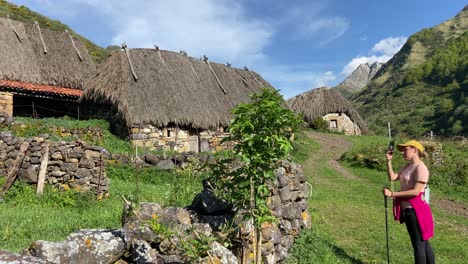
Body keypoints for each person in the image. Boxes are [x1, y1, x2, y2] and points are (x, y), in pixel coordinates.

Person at [383, 140, 435, 264]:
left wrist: (392, 194)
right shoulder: (408, 166)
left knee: (419, 244)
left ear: (415, 150)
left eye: (405, 149)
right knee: (422, 242)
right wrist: (388, 161)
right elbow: (393, 177)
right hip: (410, 210)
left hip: (416, 211)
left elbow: (416, 192)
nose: (402, 153)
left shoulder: (421, 168)